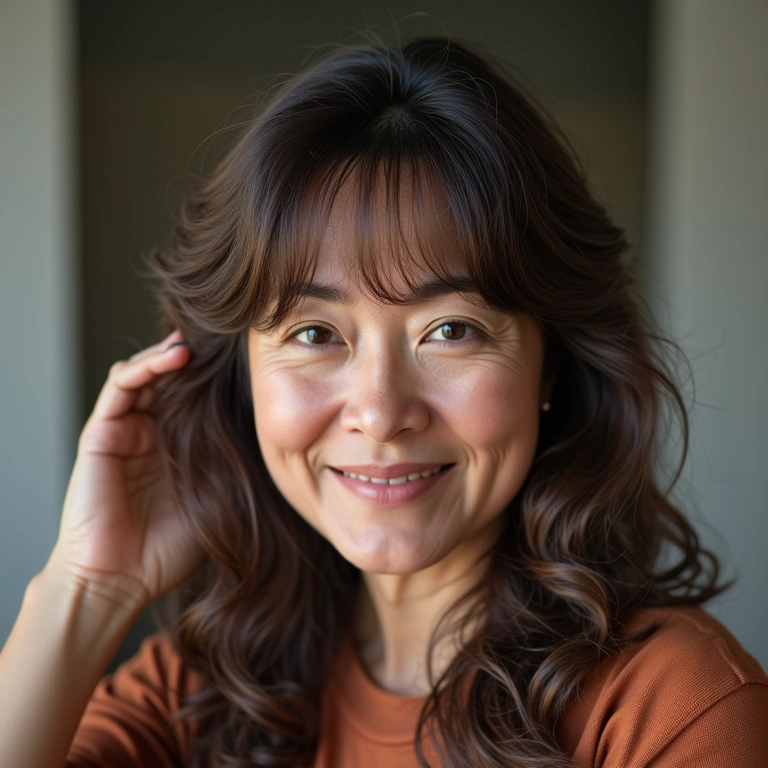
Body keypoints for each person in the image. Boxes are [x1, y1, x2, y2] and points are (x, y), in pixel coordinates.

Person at [1, 36, 767, 768]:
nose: (379, 411)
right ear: (243, 378)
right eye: (313, 333)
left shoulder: (676, 708)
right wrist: (87, 590)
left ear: (551, 369)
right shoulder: (207, 687)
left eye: (451, 330)